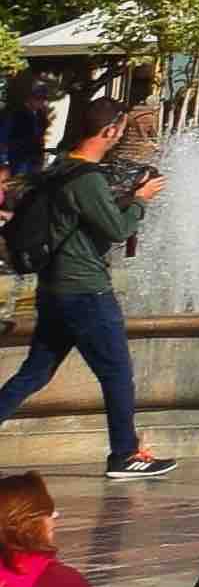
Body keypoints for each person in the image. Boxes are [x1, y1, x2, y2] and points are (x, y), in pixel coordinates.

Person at [0, 100, 168, 480]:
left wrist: (125, 200)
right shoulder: (88, 178)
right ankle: (125, 455)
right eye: (122, 129)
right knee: (117, 374)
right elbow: (116, 230)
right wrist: (140, 202)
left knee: (35, 373)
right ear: (109, 131)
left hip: (54, 288)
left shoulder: (60, 168)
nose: (123, 135)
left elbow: (81, 220)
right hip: (86, 291)